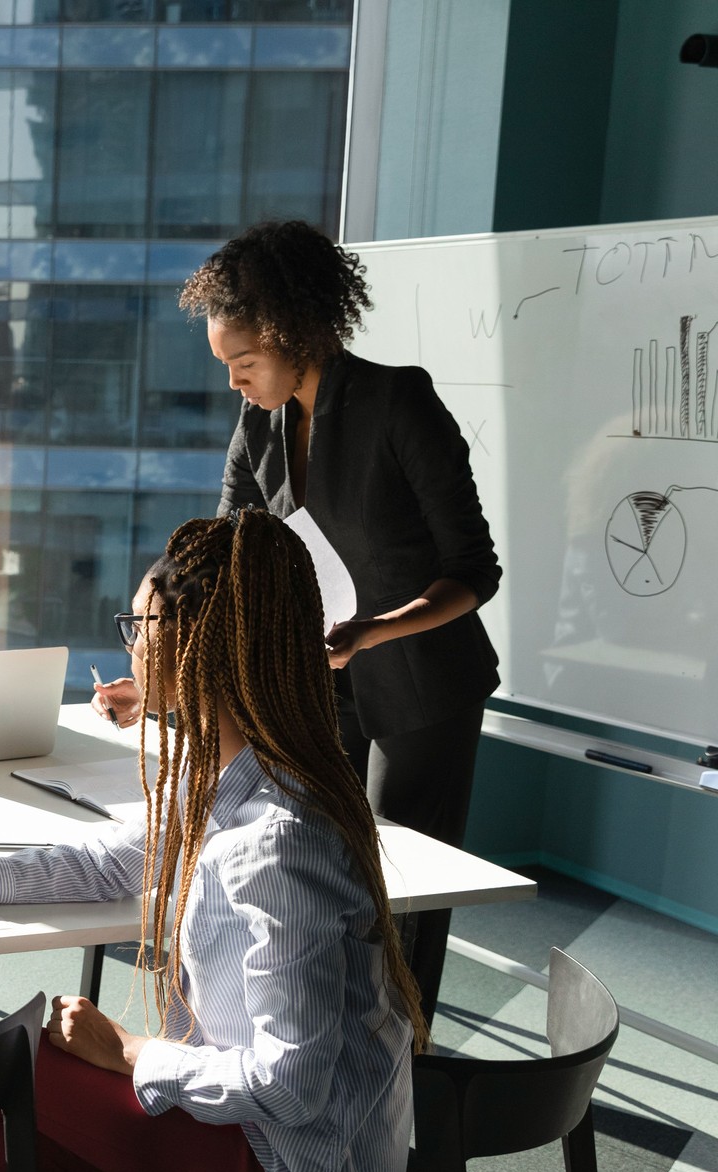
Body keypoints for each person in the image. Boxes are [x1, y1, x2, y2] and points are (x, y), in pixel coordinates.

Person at [0, 511, 429, 1172]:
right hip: (283, 1139)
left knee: (0, 1073)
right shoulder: (229, 771)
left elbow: (289, 1087)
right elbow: (119, 859)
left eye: (139, 623)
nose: (133, 644)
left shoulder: (277, 841)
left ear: (194, 640)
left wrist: (129, 1053)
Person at [95, 219, 501, 853]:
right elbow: (217, 564)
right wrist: (158, 676)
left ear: (294, 335)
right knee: (318, 863)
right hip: (315, 684)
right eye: (226, 364)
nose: (234, 381)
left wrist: (375, 630)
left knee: (408, 885)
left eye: (246, 362)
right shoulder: (259, 424)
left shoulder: (398, 402)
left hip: (423, 684)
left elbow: (476, 570)